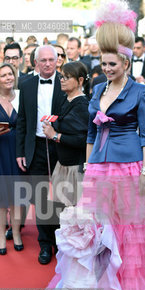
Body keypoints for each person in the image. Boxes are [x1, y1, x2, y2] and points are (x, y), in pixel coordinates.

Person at [38, 1, 145, 290]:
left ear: (124, 61)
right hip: (100, 167)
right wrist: (87, 165)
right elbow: (92, 135)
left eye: (112, 64)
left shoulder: (139, 92)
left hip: (132, 165)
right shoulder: (96, 89)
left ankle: (133, 289)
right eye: (104, 64)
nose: (107, 69)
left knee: (130, 231)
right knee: (99, 229)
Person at [16, 45, 65, 265]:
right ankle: (45, 243)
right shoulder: (26, 85)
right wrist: (20, 152)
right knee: (41, 195)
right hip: (35, 145)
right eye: (42, 60)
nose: (47, 64)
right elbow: (22, 122)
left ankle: (62, 240)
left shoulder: (67, 82)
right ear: (35, 62)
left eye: (51, 60)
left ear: (57, 61)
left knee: (63, 194)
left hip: (60, 144)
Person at [42, 61, 89, 206]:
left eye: (67, 77)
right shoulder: (64, 99)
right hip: (62, 165)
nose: (62, 80)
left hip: (75, 168)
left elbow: (83, 140)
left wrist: (55, 135)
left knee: (73, 216)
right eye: (61, 76)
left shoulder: (82, 105)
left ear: (80, 80)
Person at [0, 63, 23, 255]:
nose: (8, 77)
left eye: (10, 74)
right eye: (3, 75)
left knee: (17, 196)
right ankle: (1, 236)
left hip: (18, 152)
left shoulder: (21, 97)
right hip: (0, 151)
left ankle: (15, 233)